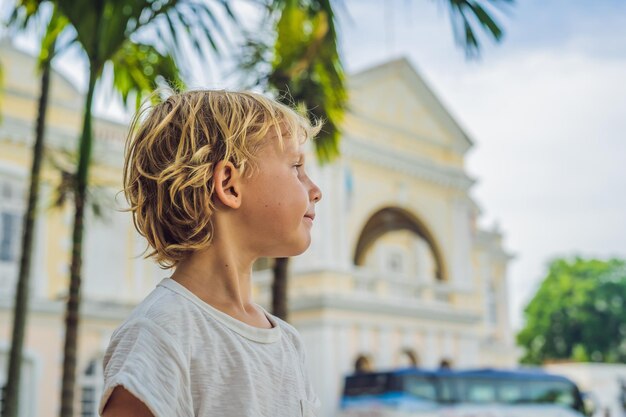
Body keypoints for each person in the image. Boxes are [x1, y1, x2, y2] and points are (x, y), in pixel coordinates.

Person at [99, 90, 323, 417]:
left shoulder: (289, 342)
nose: (316, 190)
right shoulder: (161, 333)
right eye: (296, 168)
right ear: (229, 185)